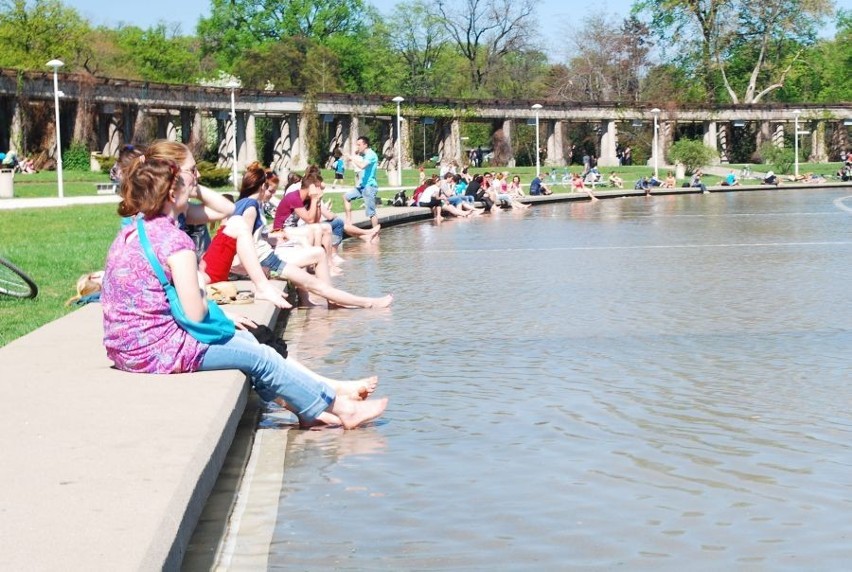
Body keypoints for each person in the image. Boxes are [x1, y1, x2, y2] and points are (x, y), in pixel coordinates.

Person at [101, 144, 388, 428]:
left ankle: (310, 410)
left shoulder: (132, 231)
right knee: (260, 356)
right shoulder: (175, 242)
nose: (194, 186)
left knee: (250, 343)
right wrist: (203, 291)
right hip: (156, 351)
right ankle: (343, 410)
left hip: (123, 346)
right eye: (188, 184)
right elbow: (195, 314)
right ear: (172, 193)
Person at [344, 136, 380, 228]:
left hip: (369, 187)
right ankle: (349, 222)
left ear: (365, 145)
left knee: (371, 212)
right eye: (357, 145)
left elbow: (362, 166)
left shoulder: (371, 155)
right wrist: (351, 157)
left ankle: (375, 234)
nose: (357, 147)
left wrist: (352, 158)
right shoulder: (365, 155)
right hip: (362, 186)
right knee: (346, 197)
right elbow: (358, 159)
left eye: (359, 145)